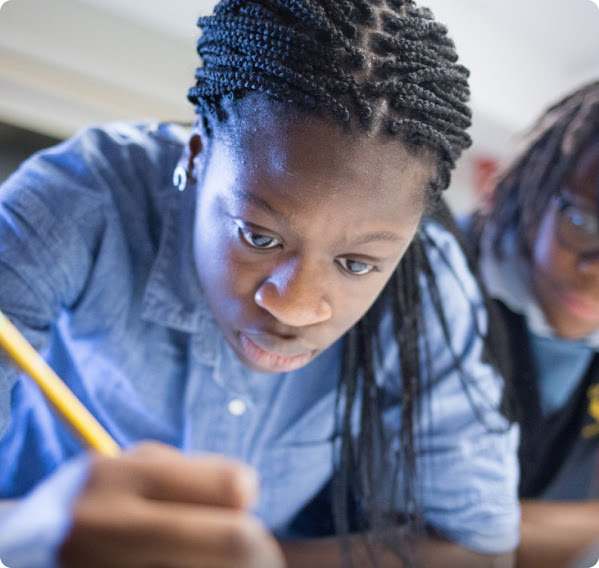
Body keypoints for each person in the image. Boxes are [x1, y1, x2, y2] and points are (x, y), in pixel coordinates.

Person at [0, 1, 519, 567]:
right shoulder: (77, 201)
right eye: (259, 237)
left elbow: (478, 546)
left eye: (356, 264)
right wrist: (26, 534)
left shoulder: (427, 285)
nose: (294, 310)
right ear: (197, 154)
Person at [462, 80, 599, 568]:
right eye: (585, 222)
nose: (595, 270)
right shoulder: (433, 272)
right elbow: (422, 530)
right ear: (538, 187)